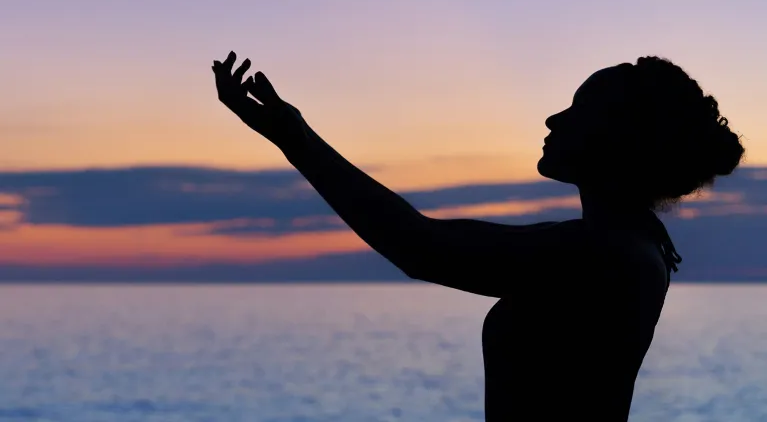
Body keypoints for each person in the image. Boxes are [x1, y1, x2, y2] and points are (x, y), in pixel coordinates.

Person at [211, 52, 745, 421]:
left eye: (579, 110)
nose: (554, 117)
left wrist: (292, 136)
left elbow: (418, 247)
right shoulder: (621, 244)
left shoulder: (606, 254)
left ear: (619, 137)